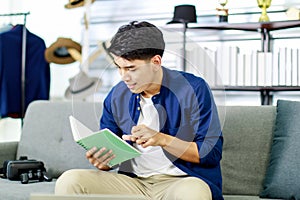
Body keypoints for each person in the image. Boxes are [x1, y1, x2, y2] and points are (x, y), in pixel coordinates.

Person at [55, 21, 223, 200]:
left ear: (156, 62)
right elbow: (110, 150)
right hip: (133, 183)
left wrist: (161, 139)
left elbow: (210, 153)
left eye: (131, 68)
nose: (124, 76)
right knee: (70, 180)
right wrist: (103, 161)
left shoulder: (194, 88)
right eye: (119, 68)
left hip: (181, 182)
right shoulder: (116, 96)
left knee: (194, 193)